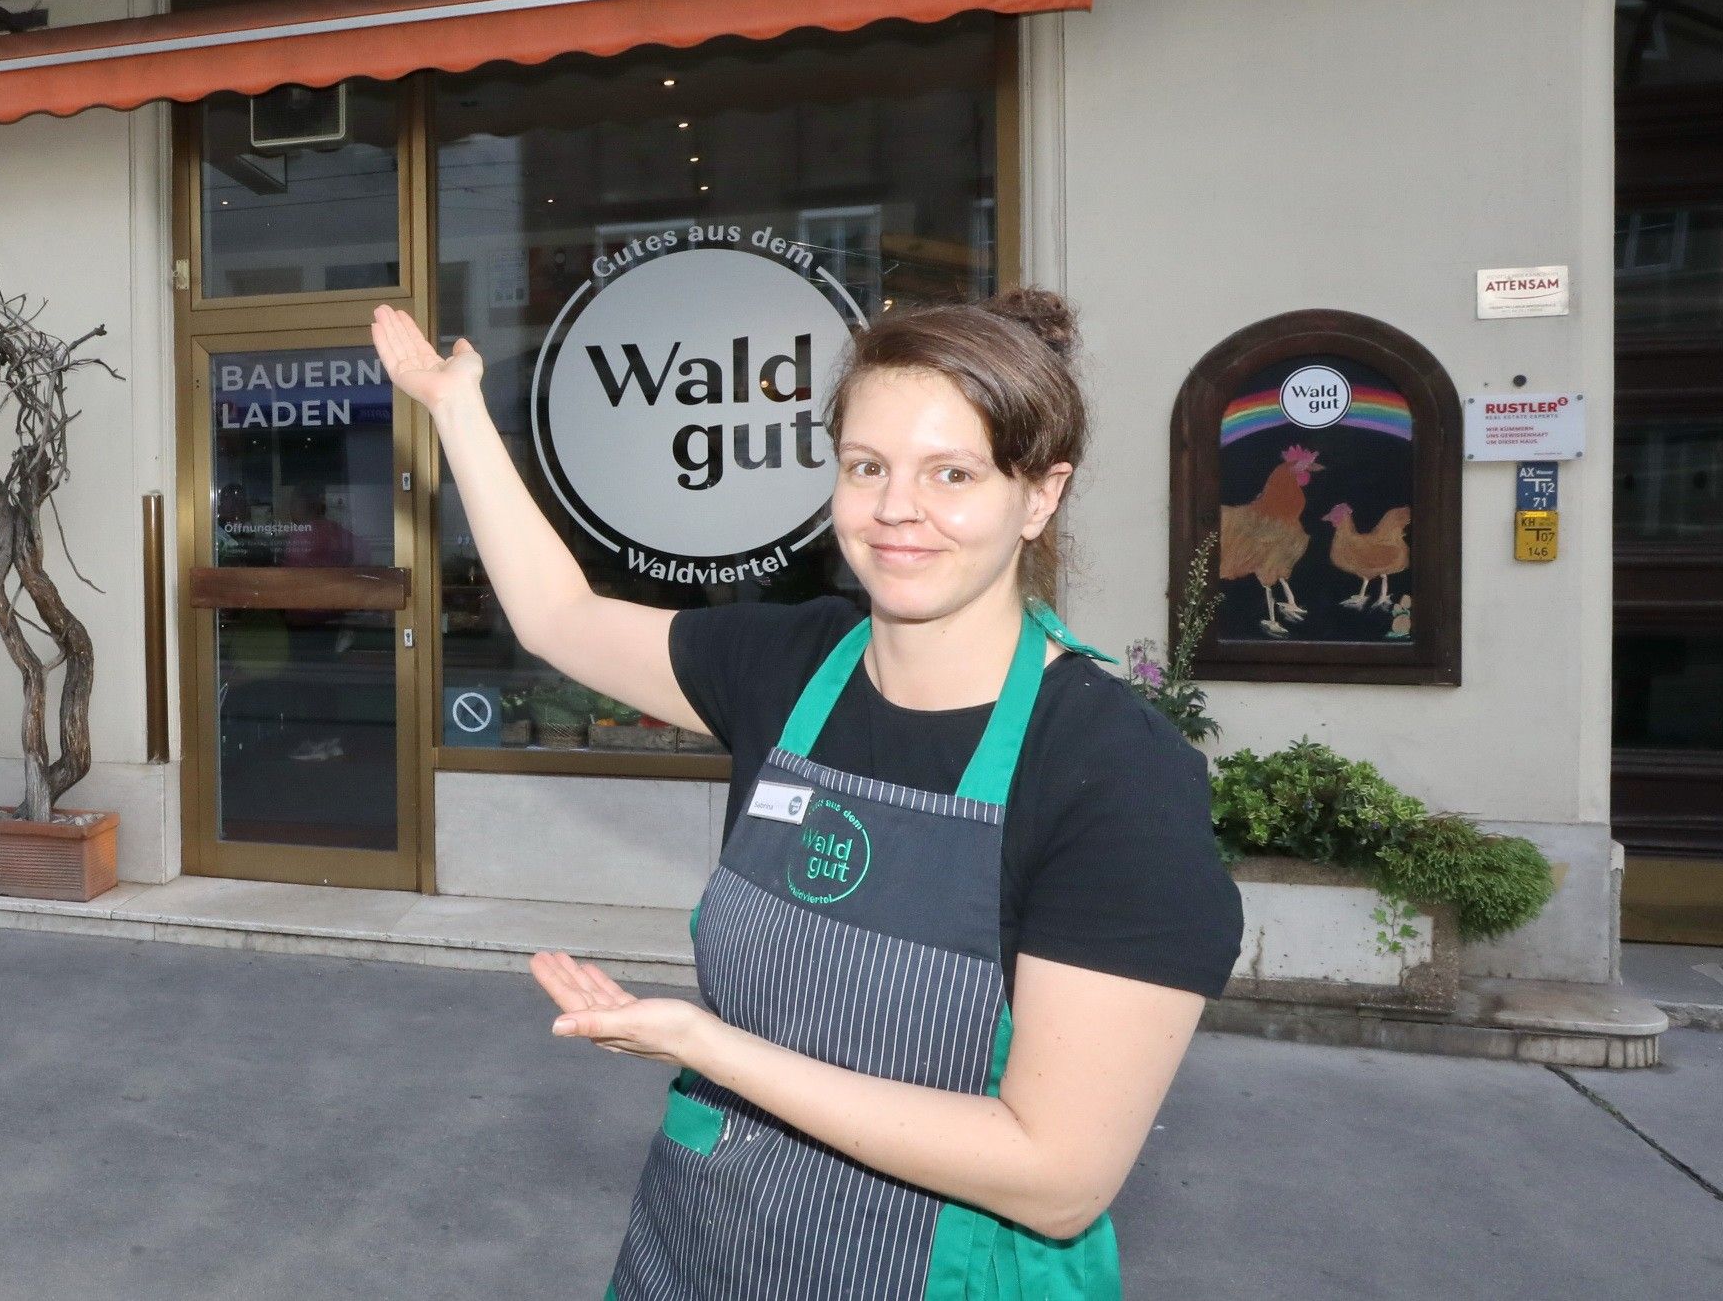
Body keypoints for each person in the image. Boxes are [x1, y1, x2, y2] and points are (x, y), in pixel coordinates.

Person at [371, 288, 1240, 1301]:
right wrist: (456, 408)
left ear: (1039, 496)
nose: (895, 507)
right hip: (699, 1253)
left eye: (952, 473)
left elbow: (1055, 1177)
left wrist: (708, 1047)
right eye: (867, 466)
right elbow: (559, 615)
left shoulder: (1112, 769)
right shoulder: (789, 663)